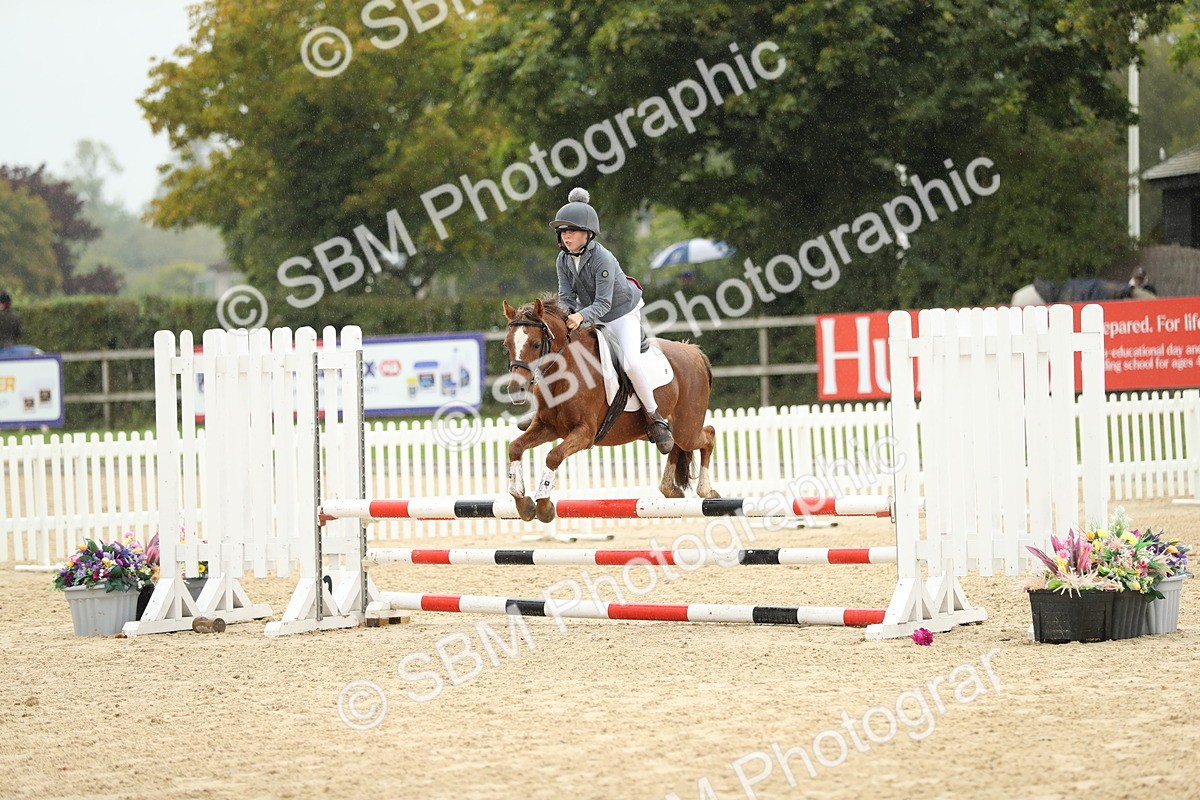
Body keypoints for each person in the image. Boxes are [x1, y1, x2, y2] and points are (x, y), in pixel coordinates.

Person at [549, 187, 674, 454]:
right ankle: (547, 411)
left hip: (620, 313)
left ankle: (655, 418)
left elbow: (604, 304)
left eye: (571, 231)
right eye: (563, 231)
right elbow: (566, 296)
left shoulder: (602, 259)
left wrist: (580, 316)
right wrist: (564, 317)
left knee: (629, 362)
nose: (566, 236)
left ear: (588, 233)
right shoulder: (562, 259)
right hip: (591, 313)